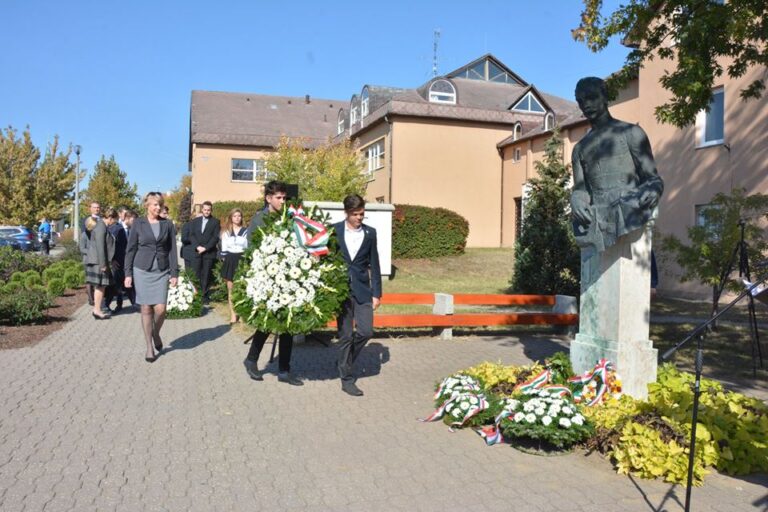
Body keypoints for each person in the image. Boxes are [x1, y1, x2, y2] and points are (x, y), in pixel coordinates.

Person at [570, 77, 664, 253]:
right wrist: (576, 199)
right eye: (581, 101)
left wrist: (653, 189)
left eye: (592, 97)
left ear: (604, 97)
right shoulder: (579, 149)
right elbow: (581, 189)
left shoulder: (632, 133)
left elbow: (652, 178)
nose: (586, 105)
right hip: (597, 218)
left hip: (629, 212)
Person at [243, 180, 302, 386]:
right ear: (268, 198)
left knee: (288, 324)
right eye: (279, 197)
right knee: (268, 322)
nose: (283, 201)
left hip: (288, 277)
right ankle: (251, 360)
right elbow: (251, 248)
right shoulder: (259, 219)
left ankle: (284, 370)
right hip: (267, 278)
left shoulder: (289, 218)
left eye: (284, 197)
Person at [333, 194, 382, 396]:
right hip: (341, 291)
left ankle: (344, 361)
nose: (359, 218)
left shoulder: (370, 233)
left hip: (363, 290)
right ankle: (346, 379)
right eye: (355, 214)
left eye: (362, 214)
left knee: (366, 331)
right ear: (346, 213)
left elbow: (375, 264)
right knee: (345, 336)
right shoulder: (334, 231)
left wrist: (377, 293)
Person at [124, 192, 179, 363]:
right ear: (147, 205)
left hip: (161, 270)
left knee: (161, 309)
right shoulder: (138, 223)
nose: (158, 207)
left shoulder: (167, 224)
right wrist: (128, 274)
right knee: (146, 308)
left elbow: (172, 250)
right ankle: (149, 346)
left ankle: (155, 332)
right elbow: (131, 249)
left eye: (160, 204)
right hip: (142, 270)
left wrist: (174, 273)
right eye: (155, 204)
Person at [220, 208, 248, 324]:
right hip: (230, 260)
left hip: (242, 260)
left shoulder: (246, 231)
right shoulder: (226, 232)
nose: (237, 218)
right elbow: (224, 249)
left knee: (242, 288)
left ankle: (242, 315)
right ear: (231, 218)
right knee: (231, 289)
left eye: (239, 216)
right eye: (235, 216)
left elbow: (248, 247)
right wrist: (225, 260)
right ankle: (233, 315)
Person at [188, 201, 220, 302]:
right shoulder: (195, 221)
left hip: (208, 252)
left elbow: (215, 238)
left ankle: (204, 296)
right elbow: (191, 235)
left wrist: (205, 248)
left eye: (208, 210)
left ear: (211, 210)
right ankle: (196, 295)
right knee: (196, 273)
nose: (206, 212)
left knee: (206, 274)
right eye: (205, 210)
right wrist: (197, 246)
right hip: (196, 251)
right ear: (202, 209)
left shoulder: (215, 222)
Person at [84, 215, 115, 320]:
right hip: (98, 262)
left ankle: (97, 310)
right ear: (110, 218)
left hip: (98, 261)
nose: (114, 222)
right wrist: (103, 264)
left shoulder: (101, 226)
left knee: (101, 286)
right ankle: (97, 310)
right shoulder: (101, 227)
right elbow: (100, 246)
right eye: (114, 219)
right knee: (100, 286)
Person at [104, 208, 128, 313]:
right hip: (116, 260)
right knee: (116, 284)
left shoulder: (117, 229)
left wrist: (113, 259)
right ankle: (116, 304)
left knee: (115, 284)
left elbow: (116, 246)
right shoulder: (114, 228)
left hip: (117, 261)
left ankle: (109, 304)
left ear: (111, 218)